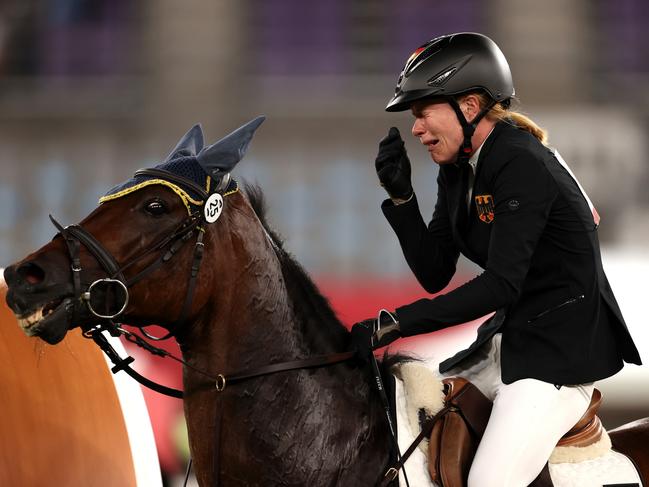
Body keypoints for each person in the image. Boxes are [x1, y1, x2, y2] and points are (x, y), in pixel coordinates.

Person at [350, 32, 642, 487]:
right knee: (406, 427)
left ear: (469, 107)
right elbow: (434, 272)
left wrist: (393, 323)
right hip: (511, 339)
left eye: (424, 112)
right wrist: (403, 199)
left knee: (490, 481)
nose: (416, 128)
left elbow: (501, 285)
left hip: (560, 359)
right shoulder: (459, 168)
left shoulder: (519, 161)